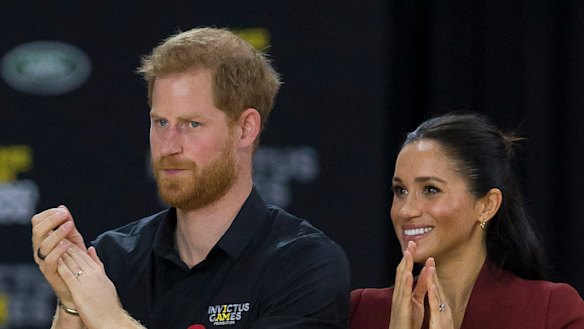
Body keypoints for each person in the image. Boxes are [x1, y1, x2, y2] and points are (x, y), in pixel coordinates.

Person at [31, 27, 350, 329]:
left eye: (191, 124)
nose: (169, 146)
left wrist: (110, 317)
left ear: (245, 128)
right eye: (160, 122)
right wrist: (72, 299)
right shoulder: (114, 258)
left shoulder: (304, 264)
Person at [349, 112, 584, 329]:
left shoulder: (550, 311)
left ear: (487, 205)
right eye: (400, 191)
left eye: (431, 190)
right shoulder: (363, 311)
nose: (406, 211)